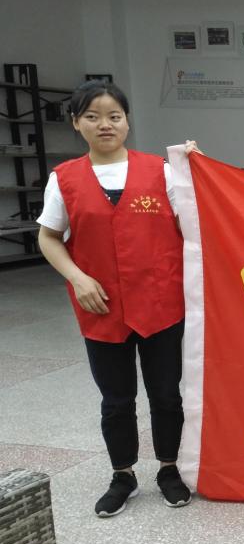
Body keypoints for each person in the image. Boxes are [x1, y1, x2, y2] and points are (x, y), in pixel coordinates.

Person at [36, 80, 195, 517]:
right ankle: (122, 475)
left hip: (160, 304)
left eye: (114, 116)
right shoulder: (64, 179)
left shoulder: (161, 171)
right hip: (100, 307)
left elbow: (197, 221)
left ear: (127, 121)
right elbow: (48, 237)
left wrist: (195, 168)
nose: (104, 124)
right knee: (116, 399)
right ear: (76, 123)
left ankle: (169, 469)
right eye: (92, 117)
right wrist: (77, 278)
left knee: (166, 395)